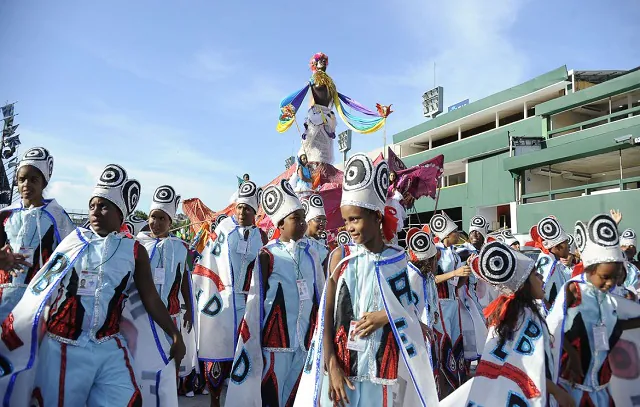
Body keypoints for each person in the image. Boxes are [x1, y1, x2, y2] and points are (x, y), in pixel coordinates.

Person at [0, 164, 186, 406]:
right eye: (92, 206)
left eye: (103, 206)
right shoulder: (75, 241)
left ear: (120, 214)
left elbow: (150, 297)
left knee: (128, 400)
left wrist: (175, 334)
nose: (95, 211)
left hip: (109, 346)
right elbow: (43, 286)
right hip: (64, 347)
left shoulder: (134, 250)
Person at [294, 154, 439, 407]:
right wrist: (331, 363)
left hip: (380, 370)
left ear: (377, 217)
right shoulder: (340, 257)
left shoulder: (397, 259)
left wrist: (387, 315)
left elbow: (406, 308)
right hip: (342, 369)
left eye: (355, 219)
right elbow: (325, 318)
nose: (348, 227)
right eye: (346, 220)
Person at [225, 179, 323, 407]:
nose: (302, 224)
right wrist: (253, 343)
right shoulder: (267, 255)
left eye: (302, 218)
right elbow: (255, 303)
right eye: (295, 219)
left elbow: (319, 295)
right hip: (275, 345)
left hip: (305, 343)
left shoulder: (312, 254)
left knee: (300, 397)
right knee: (272, 398)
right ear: (280, 223)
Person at [441, 241, 574, 407]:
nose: (541, 278)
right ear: (524, 283)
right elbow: (527, 369)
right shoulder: (521, 318)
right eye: (535, 274)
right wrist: (557, 392)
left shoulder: (518, 312)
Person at [547, 213, 640, 406]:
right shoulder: (574, 289)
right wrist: (570, 352)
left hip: (601, 383)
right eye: (605, 277)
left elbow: (616, 323)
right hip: (572, 380)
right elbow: (551, 327)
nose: (610, 283)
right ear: (589, 270)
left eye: (615, 277)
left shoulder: (614, 295)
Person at [193, 180, 267, 407]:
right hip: (223, 302)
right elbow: (208, 263)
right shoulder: (223, 231)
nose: (242, 212)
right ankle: (214, 401)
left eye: (247, 208)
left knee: (249, 356)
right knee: (217, 352)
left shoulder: (262, 237)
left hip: (251, 303)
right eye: (239, 207)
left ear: (255, 211)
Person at [125, 185, 192, 405]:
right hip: (140, 316)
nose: (156, 223)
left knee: (166, 365)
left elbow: (183, 282)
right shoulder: (136, 244)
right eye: (153, 217)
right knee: (139, 366)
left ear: (170, 222)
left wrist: (189, 309)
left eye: (162, 218)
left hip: (169, 318)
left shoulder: (181, 248)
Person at [0, 147, 75, 322]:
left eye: (33, 180)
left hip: (39, 301)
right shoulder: (5, 215)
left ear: (44, 183)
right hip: (3, 296)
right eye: (22, 179)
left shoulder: (58, 216)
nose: (26, 184)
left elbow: (70, 257)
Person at [429, 211, 472, 395]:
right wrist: (455, 273)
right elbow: (432, 279)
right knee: (442, 344)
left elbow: (457, 284)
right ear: (446, 235)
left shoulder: (454, 254)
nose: (458, 234)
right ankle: (442, 387)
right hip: (440, 303)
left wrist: (464, 274)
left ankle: (456, 385)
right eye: (455, 231)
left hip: (454, 303)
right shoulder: (435, 252)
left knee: (456, 343)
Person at [405, 226, 440, 394]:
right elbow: (403, 308)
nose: (437, 264)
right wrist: (417, 323)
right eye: (435, 260)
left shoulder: (425, 276)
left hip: (425, 328)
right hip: (414, 332)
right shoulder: (411, 276)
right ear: (429, 261)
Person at [530, 216, 571, 309]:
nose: (568, 247)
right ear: (557, 247)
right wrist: (551, 315)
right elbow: (538, 294)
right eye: (566, 243)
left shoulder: (556, 262)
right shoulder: (547, 261)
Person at [302, 194, 329, 271]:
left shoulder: (324, 245)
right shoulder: (300, 243)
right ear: (308, 221)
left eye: (324, 220)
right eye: (318, 219)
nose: (322, 223)